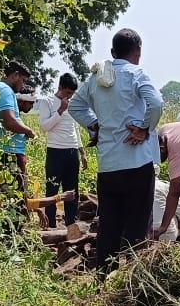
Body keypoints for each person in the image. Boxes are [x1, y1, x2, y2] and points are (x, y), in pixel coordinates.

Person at [69, 28, 163, 271]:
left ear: (112, 52)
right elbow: (156, 103)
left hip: (108, 165)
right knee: (137, 226)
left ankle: (104, 280)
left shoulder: (95, 79)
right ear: (138, 52)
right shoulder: (136, 73)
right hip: (137, 164)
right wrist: (144, 128)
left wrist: (94, 125)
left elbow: (75, 106)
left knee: (109, 225)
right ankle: (132, 284)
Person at [35, 73, 84, 228]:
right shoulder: (47, 102)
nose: (69, 97)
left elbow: (74, 128)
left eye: (72, 94)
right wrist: (60, 111)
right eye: (67, 93)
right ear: (60, 88)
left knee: (72, 188)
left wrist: (81, 152)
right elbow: (45, 127)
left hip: (72, 150)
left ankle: (70, 222)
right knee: (52, 187)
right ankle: (50, 223)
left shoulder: (72, 104)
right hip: (55, 150)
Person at [0, 61, 37, 200]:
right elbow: (10, 122)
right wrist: (29, 131)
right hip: (9, 153)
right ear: (15, 75)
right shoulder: (5, 90)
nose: (23, 85)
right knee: (15, 201)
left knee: (2, 198)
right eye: (23, 80)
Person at [152, 174, 180, 242]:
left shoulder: (131, 187)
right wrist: (178, 233)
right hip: (167, 234)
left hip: (142, 235)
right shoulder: (163, 186)